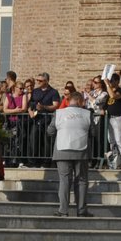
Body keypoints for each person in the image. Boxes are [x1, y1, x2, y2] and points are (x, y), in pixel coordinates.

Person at [52, 89, 91, 217]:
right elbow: (94, 132)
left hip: (62, 149)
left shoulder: (59, 113)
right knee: (81, 180)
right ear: (80, 101)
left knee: (64, 180)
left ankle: (63, 210)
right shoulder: (87, 113)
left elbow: (50, 130)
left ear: (69, 100)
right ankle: (81, 210)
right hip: (81, 150)